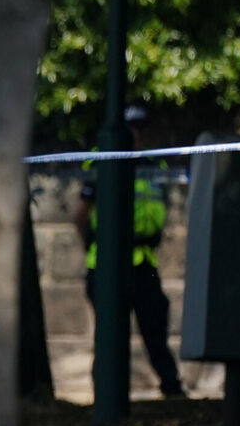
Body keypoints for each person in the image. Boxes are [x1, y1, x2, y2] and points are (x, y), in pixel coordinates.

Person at [72, 103, 185, 398]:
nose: (136, 135)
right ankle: (106, 396)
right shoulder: (101, 162)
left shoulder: (152, 164)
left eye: (140, 129)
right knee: (109, 336)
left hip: (144, 262)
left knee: (155, 330)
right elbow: (81, 213)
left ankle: (172, 390)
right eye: (131, 129)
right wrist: (94, 244)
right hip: (107, 263)